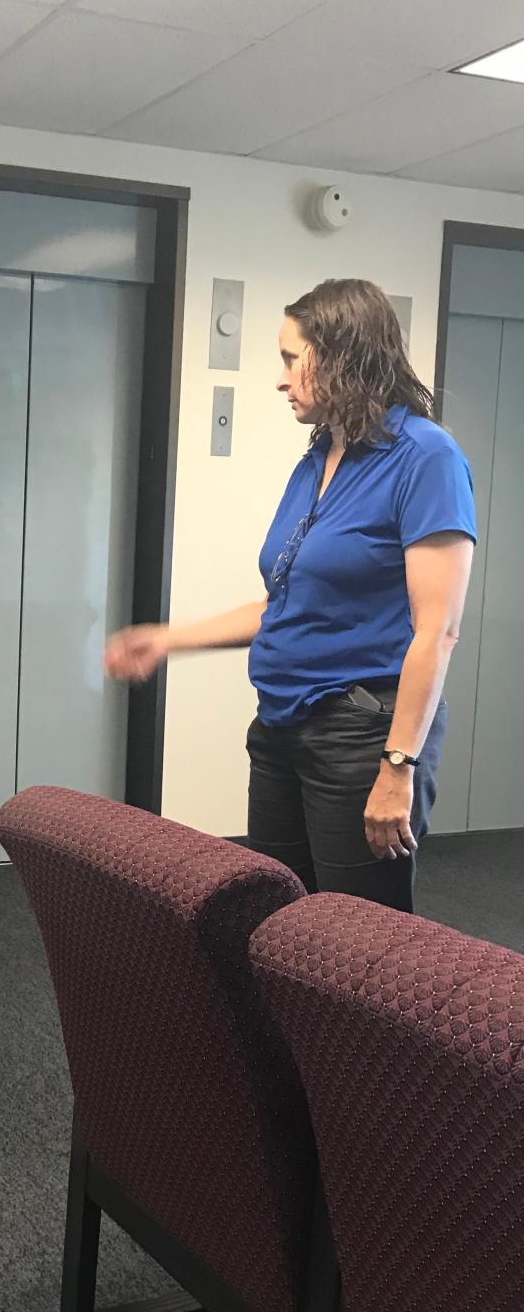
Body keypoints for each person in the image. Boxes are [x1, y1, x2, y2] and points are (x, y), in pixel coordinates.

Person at [105, 277, 476, 913]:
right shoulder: (318, 459)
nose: (280, 379)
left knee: (357, 941)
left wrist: (399, 765)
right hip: (281, 725)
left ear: (340, 355)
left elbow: (436, 630)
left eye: (289, 357)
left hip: (364, 734)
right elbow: (285, 605)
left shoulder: (425, 458)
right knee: (279, 918)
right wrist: (168, 638)